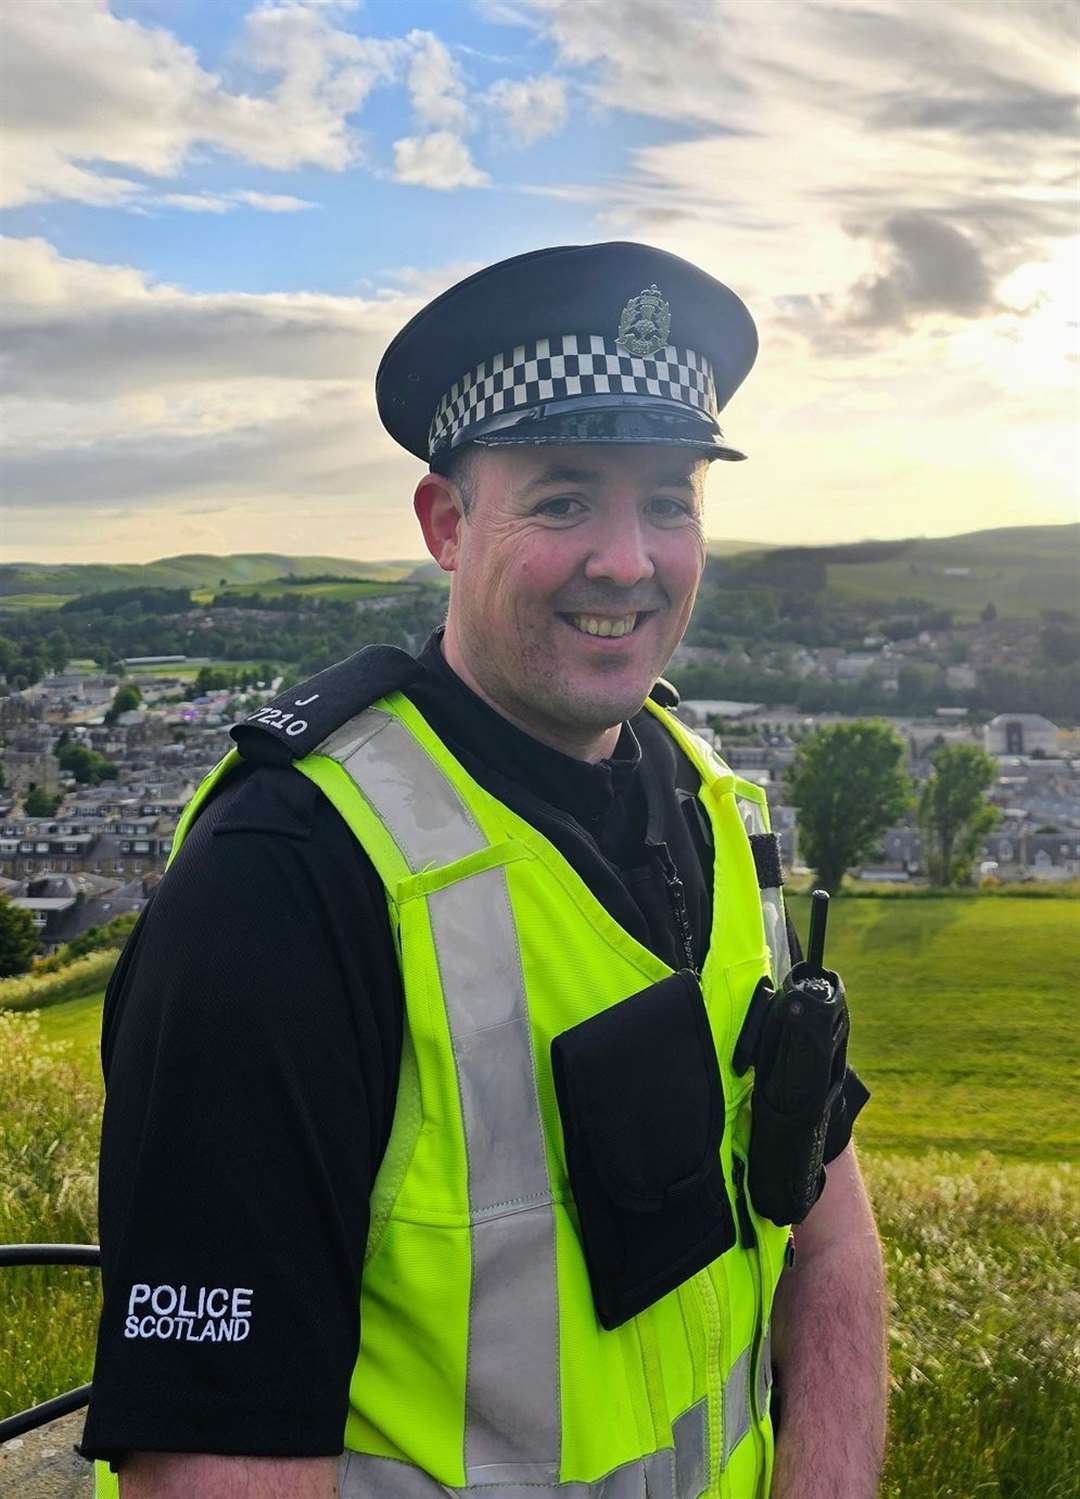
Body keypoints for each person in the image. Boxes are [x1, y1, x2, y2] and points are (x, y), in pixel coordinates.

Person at [81, 242, 887, 1498]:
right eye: (565, 498)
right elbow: (212, 1466)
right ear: (447, 523)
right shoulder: (286, 881)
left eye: (669, 499)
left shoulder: (711, 798)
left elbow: (825, 1227)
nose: (630, 559)